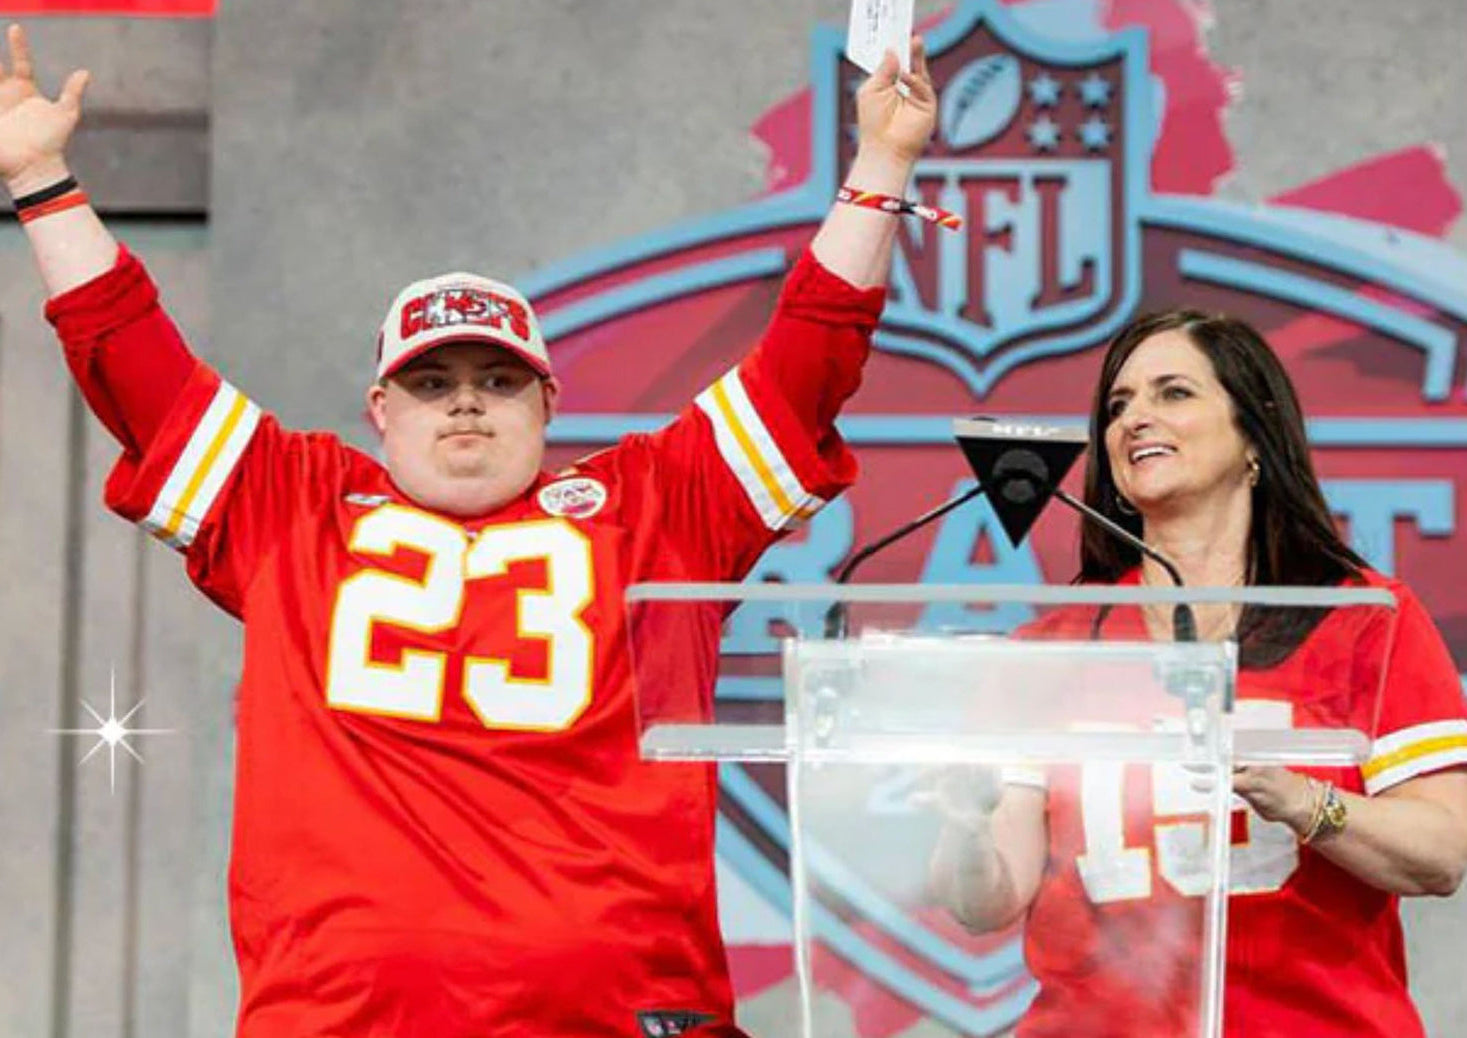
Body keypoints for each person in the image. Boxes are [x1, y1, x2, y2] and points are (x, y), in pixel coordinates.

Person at [0, 23, 938, 1038]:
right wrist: (46, 182)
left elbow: (804, 368)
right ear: (379, 410)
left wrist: (881, 165)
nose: (465, 406)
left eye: (498, 381)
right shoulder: (292, 501)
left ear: (547, 410)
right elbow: (137, 371)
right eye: (432, 381)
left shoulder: (657, 509)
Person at [927, 309, 1467, 1036]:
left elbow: (1440, 853)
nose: (1134, 419)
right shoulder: (1050, 646)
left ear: (1253, 434)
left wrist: (1303, 803)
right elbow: (990, 899)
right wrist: (963, 828)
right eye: (1117, 406)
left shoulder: (1366, 619)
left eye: (1172, 393)